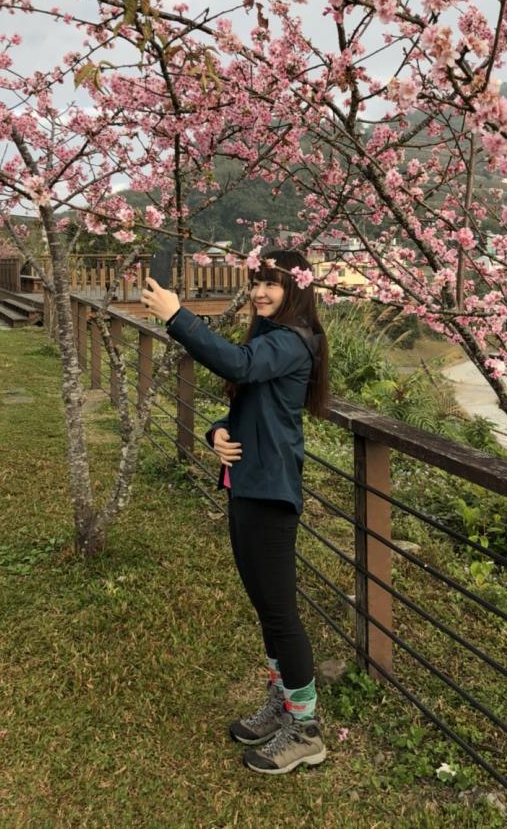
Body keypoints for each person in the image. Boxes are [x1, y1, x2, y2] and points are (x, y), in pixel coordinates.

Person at [141, 248, 330, 775]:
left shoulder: (293, 340)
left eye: (272, 284)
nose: (260, 293)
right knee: (265, 605)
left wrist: (178, 317)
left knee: (281, 612)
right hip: (248, 484)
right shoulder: (271, 336)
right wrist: (217, 431)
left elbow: (239, 366)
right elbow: (250, 403)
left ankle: (306, 730)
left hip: (271, 492)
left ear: (296, 289)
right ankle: (281, 703)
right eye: (256, 283)